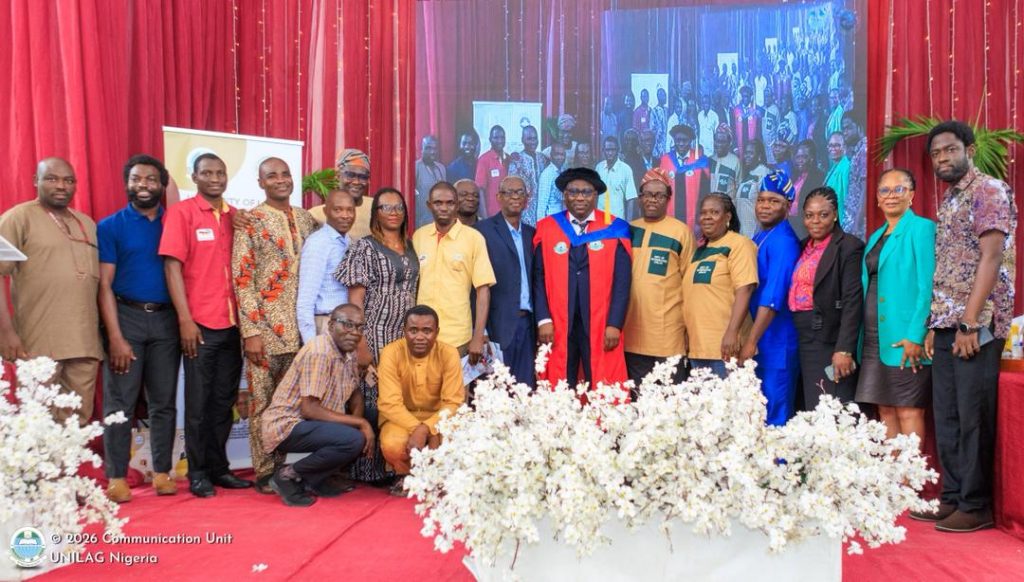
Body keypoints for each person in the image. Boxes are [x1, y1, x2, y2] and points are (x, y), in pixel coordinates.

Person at [914, 121, 1017, 533]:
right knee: (949, 416)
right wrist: (937, 322)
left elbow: (991, 258)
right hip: (947, 323)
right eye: (936, 154)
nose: (942, 158)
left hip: (977, 325)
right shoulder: (951, 198)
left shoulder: (988, 190)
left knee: (972, 415)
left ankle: (975, 505)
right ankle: (953, 497)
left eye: (950, 150)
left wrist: (970, 322)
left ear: (969, 150)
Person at [160, 153, 252, 496]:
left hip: (233, 326)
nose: (215, 178)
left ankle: (219, 468)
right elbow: (172, 268)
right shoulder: (182, 213)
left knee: (223, 403)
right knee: (197, 404)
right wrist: (185, 320)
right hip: (199, 325)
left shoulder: (235, 217)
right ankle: (197, 472)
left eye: (220, 172)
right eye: (207, 173)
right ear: (194, 177)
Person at [232, 157, 319, 493]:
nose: (280, 180)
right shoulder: (251, 221)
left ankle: (288, 467)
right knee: (262, 404)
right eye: (272, 176)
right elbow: (243, 280)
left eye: (285, 174)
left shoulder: (306, 218)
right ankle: (266, 471)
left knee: (292, 405)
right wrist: (251, 332)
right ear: (260, 182)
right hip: (266, 332)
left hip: (301, 331)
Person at [98, 155, 180, 502]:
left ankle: (162, 472)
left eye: (150, 179)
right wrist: (115, 336)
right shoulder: (110, 226)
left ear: (162, 185)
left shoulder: (174, 223)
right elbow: (104, 285)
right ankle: (116, 476)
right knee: (120, 403)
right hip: (126, 318)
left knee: (164, 402)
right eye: (136, 179)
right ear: (126, 183)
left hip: (166, 320)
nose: (143, 185)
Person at [0, 157, 102, 426]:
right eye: (52, 179)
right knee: (38, 422)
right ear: (36, 181)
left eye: (68, 180)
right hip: (37, 343)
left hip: (84, 342)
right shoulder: (17, 218)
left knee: (77, 424)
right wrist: (6, 332)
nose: (61, 186)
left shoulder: (87, 224)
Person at [336, 188, 419, 484]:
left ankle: (394, 465)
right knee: (373, 398)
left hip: (403, 337)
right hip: (374, 332)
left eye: (398, 207)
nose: (393, 212)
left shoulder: (410, 245)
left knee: (398, 399)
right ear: (376, 213)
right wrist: (361, 344)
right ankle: (368, 470)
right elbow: (355, 299)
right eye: (386, 207)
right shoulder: (365, 247)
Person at [262, 304, 375, 507]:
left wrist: (360, 422)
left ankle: (314, 479)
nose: (354, 332)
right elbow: (309, 409)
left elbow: (355, 393)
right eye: (347, 325)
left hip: (315, 422)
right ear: (331, 325)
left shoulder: (348, 352)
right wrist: (359, 424)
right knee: (353, 439)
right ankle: (287, 475)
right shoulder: (320, 352)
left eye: (359, 327)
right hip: (288, 425)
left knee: (372, 419)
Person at [854, 169, 935, 445]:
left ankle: (910, 473)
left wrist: (916, 335)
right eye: (884, 190)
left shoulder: (922, 229)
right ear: (877, 198)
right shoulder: (875, 236)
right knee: (885, 410)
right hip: (874, 338)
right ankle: (893, 473)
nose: (891, 196)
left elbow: (927, 287)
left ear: (911, 195)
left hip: (905, 336)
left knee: (908, 409)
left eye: (899, 189)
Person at [533, 168, 632, 385]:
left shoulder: (615, 229)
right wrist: (543, 319)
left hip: (600, 323)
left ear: (595, 195)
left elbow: (622, 283)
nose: (579, 197)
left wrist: (615, 324)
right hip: (558, 324)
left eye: (586, 192)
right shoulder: (547, 228)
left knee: (601, 379)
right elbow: (538, 278)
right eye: (573, 192)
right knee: (561, 381)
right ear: (564, 195)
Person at [789, 186, 864, 412]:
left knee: (831, 404)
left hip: (829, 337)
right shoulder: (803, 246)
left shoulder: (848, 246)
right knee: (810, 404)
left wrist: (844, 349)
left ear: (835, 215)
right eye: (809, 215)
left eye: (823, 215)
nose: (815, 221)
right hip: (802, 336)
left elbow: (852, 301)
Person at [377, 305, 466, 495]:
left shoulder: (449, 353)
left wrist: (427, 428)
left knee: (460, 436)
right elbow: (389, 403)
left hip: (440, 418)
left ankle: (442, 477)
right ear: (404, 331)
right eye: (413, 330)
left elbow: (453, 402)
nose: (419, 337)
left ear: (437, 332)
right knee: (393, 444)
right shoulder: (391, 353)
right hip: (401, 419)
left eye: (427, 331)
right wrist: (420, 429)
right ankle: (405, 475)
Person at [738, 172, 801, 425]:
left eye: (774, 201)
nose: (765, 206)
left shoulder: (784, 241)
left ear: (788, 206)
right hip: (761, 340)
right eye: (761, 200)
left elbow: (772, 298)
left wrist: (751, 341)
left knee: (775, 416)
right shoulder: (762, 236)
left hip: (776, 342)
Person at [623, 168, 695, 386]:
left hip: (668, 335)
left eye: (659, 195)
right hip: (631, 335)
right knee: (638, 400)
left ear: (668, 199)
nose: (652, 200)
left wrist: (689, 330)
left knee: (670, 401)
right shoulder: (627, 230)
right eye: (647, 194)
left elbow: (690, 284)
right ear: (639, 198)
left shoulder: (681, 232)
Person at [412, 182, 496, 362]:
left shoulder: (473, 238)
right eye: (438, 203)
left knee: (455, 382)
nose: (444, 208)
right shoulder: (419, 237)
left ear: (457, 205)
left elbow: (483, 291)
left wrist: (478, 336)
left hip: (458, 338)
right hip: (421, 337)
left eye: (450, 203)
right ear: (429, 205)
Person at [681, 193, 757, 378]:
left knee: (729, 397)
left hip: (726, 348)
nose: (707, 217)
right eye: (703, 212)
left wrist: (732, 332)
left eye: (714, 212)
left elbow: (745, 289)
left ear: (727, 216)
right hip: (699, 349)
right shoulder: (698, 252)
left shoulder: (739, 244)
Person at [474, 176, 537, 387]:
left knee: (525, 390)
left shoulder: (532, 234)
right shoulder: (482, 231)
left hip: (528, 326)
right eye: (509, 192)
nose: (515, 197)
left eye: (520, 192)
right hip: (497, 325)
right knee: (497, 391)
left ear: (527, 199)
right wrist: (480, 331)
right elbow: (474, 287)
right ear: (498, 197)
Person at [296, 189, 356, 344]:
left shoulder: (349, 241)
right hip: (326, 324)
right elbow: (305, 300)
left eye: (350, 210)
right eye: (338, 210)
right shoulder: (318, 243)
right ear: (326, 211)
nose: (345, 215)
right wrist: (311, 345)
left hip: (347, 325)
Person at [309, 149, 372, 241]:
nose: (356, 182)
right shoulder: (316, 215)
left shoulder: (375, 208)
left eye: (363, 177)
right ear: (338, 176)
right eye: (350, 175)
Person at [659, 124, 710, 229]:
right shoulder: (665, 160)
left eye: (685, 140)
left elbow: (705, 193)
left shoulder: (700, 161)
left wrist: (700, 219)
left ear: (691, 141)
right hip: (670, 216)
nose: (681, 144)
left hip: (693, 217)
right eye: (678, 140)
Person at [507, 125, 548, 226]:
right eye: (529, 139)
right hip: (524, 213)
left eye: (535, 138)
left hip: (541, 211)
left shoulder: (542, 158)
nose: (533, 142)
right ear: (522, 140)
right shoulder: (517, 160)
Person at [734, 139, 771, 237]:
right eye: (746, 153)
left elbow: (768, 206)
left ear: (759, 156)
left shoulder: (764, 174)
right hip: (743, 232)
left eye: (750, 153)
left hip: (755, 234)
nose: (747, 156)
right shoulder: (748, 173)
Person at [595, 136, 637, 220]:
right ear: (603, 150)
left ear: (618, 150)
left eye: (613, 150)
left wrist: (628, 223)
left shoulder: (626, 169)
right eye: (607, 150)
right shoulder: (599, 168)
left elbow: (631, 198)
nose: (610, 153)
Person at [789, 139, 825, 238]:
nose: (800, 161)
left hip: (805, 227)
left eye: (804, 157)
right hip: (791, 223)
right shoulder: (795, 176)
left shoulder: (818, 177)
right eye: (798, 157)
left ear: (812, 158)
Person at [840, 111, 867, 239]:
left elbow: (865, 190)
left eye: (848, 128)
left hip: (858, 223)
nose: (844, 133)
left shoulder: (864, 150)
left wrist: (857, 224)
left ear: (859, 126)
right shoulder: (857, 151)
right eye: (843, 129)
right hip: (851, 218)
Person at [475, 125, 508, 218]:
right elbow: (480, 190)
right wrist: (486, 218)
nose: (500, 141)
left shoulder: (508, 159)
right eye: (496, 138)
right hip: (492, 215)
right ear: (490, 139)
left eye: (502, 137)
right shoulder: (483, 160)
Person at [415, 135, 447, 228]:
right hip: (421, 222)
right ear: (422, 149)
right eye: (428, 148)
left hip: (439, 220)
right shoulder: (415, 167)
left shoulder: (441, 168)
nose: (432, 152)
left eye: (434, 148)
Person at [823, 132, 850, 224]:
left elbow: (847, 197)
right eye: (830, 145)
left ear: (845, 147)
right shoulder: (834, 167)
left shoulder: (846, 167)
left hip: (840, 220)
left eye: (837, 145)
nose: (832, 149)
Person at [536, 143, 567, 219]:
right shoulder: (547, 174)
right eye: (557, 154)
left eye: (562, 154)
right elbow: (542, 204)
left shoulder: (562, 171)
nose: (560, 157)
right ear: (551, 155)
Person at [709, 124, 741, 197]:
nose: (719, 145)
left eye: (722, 142)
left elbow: (739, 187)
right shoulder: (709, 160)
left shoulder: (735, 162)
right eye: (717, 141)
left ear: (729, 143)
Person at [731, 85, 760, 155]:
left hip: (752, 144)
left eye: (747, 96)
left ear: (750, 98)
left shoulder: (755, 111)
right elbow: (733, 129)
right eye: (743, 96)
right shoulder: (736, 110)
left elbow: (758, 131)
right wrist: (735, 147)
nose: (745, 99)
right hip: (740, 144)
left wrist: (758, 146)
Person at [696, 92, 720, 157]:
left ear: (710, 103)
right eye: (704, 103)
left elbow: (716, 133)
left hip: (711, 147)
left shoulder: (714, 116)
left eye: (707, 103)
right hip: (701, 146)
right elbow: (698, 131)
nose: (705, 105)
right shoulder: (699, 115)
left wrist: (716, 147)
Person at [650, 87, 669, 160]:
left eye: (665, 95)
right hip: (658, 144)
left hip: (666, 142)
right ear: (658, 97)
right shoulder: (654, 111)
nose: (665, 97)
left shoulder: (667, 110)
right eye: (663, 95)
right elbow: (652, 128)